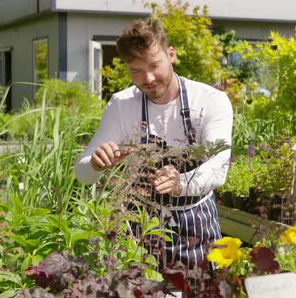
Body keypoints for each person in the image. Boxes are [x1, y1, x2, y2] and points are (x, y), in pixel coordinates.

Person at [74, 18, 233, 269]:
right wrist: (95, 163)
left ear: (171, 55)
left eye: (154, 65)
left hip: (197, 225)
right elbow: (82, 173)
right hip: (142, 230)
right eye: (135, 71)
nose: (147, 78)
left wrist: (182, 182)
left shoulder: (211, 100)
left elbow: (218, 164)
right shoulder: (122, 105)